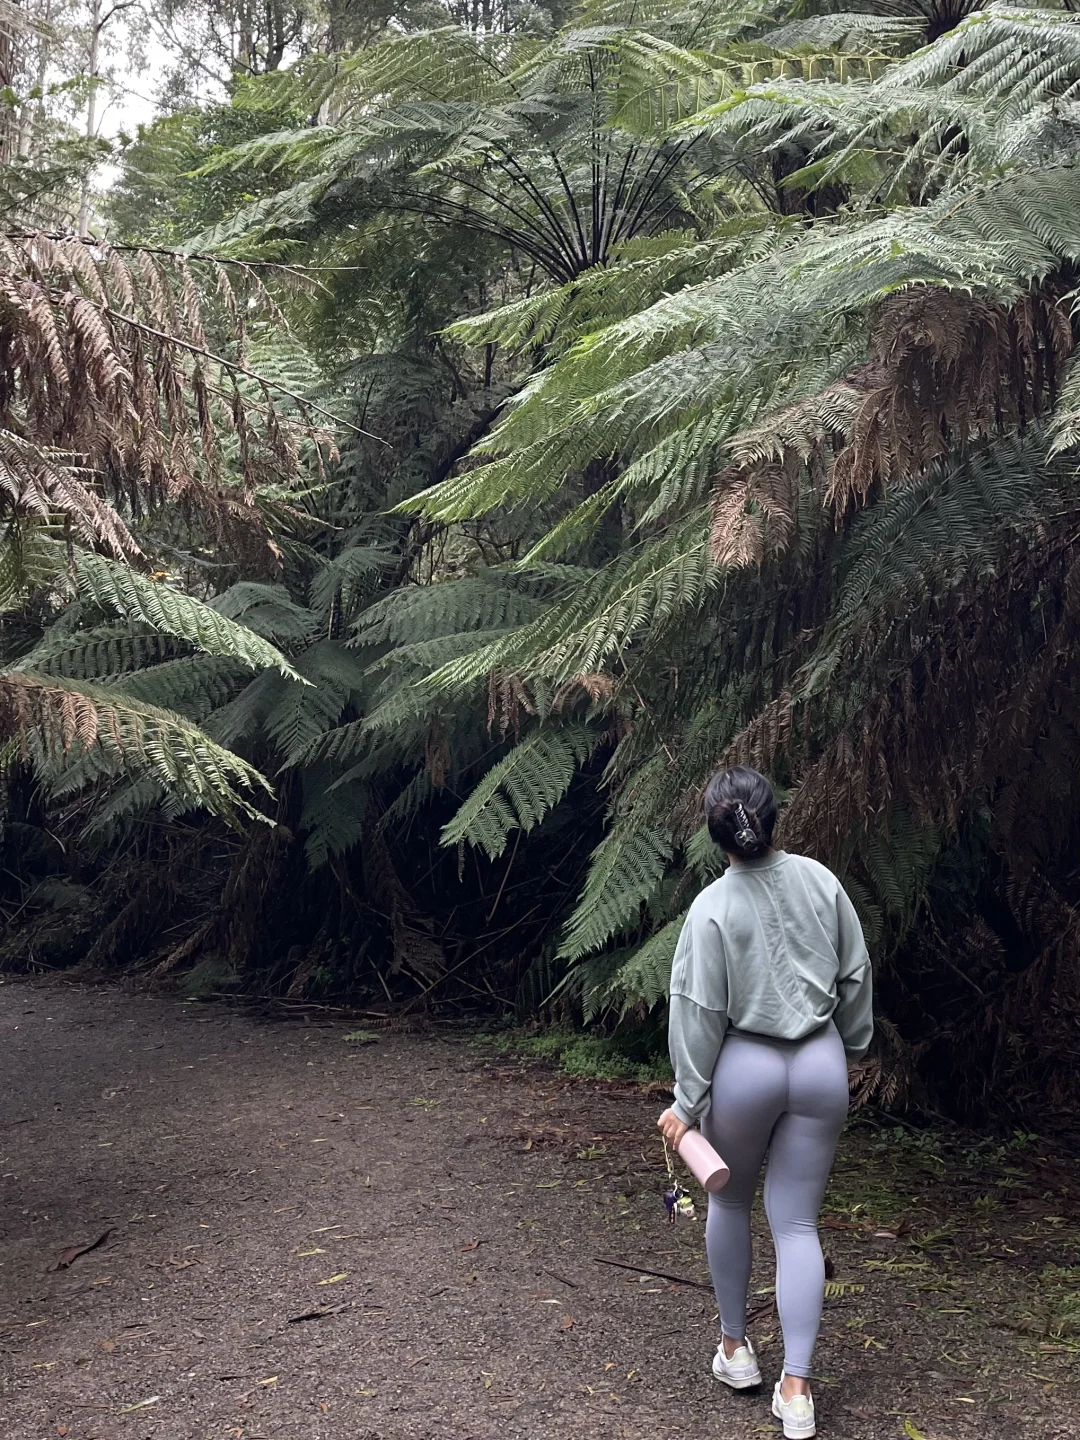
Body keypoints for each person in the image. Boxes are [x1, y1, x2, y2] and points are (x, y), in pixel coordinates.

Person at [657, 765, 873, 1440]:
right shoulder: (820, 881)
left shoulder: (711, 909)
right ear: (772, 817)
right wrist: (854, 1045)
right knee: (799, 1224)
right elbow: (855, 971)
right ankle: (799, 1389)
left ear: (714, 831)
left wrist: (687, 1103)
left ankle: (735, 1351)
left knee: (727, 1200)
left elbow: (697, 1014)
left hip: (744, 1068)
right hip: (819, 1062)